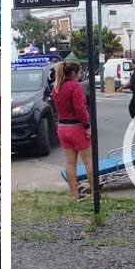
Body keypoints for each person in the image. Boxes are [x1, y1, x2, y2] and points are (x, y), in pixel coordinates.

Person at [51, 62, 94, 201]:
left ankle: (74, 195)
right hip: (76, 127)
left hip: (62, 128)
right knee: (89, 162)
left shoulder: (56, 88)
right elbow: (80, 109)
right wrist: (87, 126)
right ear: (74, 73)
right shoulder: (74, 86)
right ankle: (95, 194)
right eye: (80, 73)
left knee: (70, 163)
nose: (80, 76)